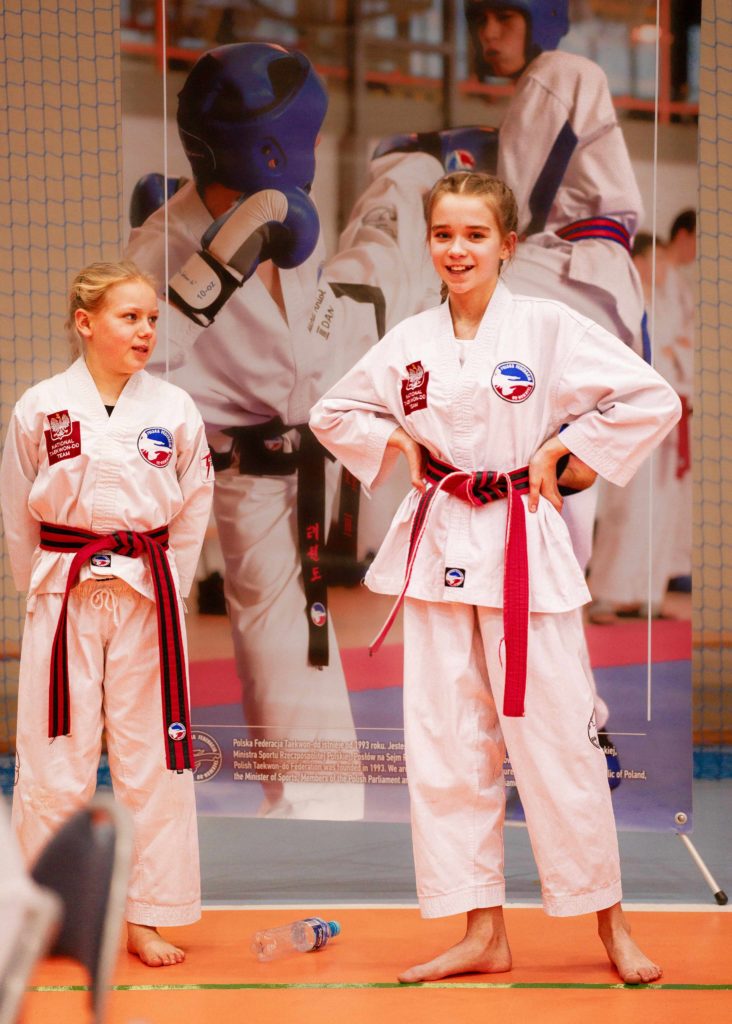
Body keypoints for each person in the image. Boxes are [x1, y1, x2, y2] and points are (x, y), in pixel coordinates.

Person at [310, 171, 679, 984]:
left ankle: (611, 925)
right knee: (449, 746)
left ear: (507, 244)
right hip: (440, 548)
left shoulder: (547, 326)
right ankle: (481, 932)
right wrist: (398, 444)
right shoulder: (410, 340)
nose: (458, 250)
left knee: (561, 742)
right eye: (444, 235)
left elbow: (650, 397)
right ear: (428, 243)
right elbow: (333, 412)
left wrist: (567, 449)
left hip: (521, 550)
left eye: (475, 235)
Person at [126, 41, 457, 820]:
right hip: (236, 465)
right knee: (196, 640)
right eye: (306, 137)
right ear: (272, 148)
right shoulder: (162, 250)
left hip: (329, 359)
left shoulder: (282, 208)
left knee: (387, 265)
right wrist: (216, 268)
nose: (310, 153)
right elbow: (120, 363)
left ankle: (409, 162)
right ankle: (297, 810)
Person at [0, 260, 214, 967]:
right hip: (63, 591)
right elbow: (17, 513)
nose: (146, 330)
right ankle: (48, 917)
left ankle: (148, 917)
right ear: (85, 323)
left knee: (153, 759)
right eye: (130, 317)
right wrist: (41, 587)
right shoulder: (41, 406)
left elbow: (193, 511)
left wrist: (168, 587)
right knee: (53, 759)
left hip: (147, 593)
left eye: (152, 318)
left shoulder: (175, 408)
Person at [588, 235, 691, 620]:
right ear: (641, 261)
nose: (666, 269)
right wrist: (671, 351)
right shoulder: (623, 303)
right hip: (635, 415)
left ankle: (649, 593)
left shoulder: (668, 304)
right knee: (628, 508)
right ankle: (607, 594)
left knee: (663, 509)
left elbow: (684, 349)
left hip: (671, 417)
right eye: (659, 260)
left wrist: (674, 352)